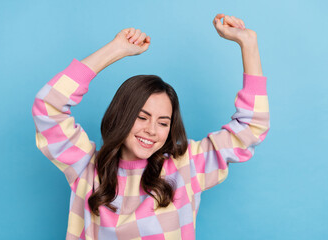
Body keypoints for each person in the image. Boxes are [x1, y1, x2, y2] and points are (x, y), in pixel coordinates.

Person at [32, 13, 270, 240]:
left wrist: (248, 43)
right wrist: (115, 50)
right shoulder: (87, 169)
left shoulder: (187, 166)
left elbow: (251, 127)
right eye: (142, 117)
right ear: (122, 116)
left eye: (163, 122)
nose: (152, 130)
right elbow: (48, 106)